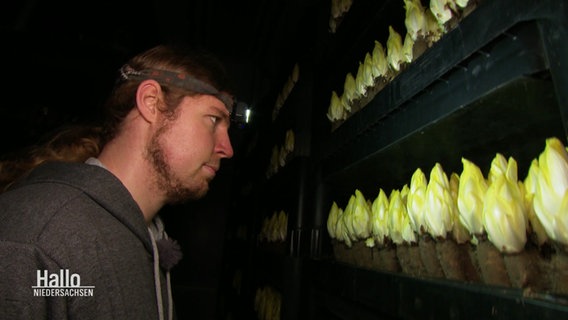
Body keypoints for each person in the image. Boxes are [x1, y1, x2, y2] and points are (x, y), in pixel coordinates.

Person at [0, 44, 235, 320]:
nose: (227, 148)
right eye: (213, 119)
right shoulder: (37, 236)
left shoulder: (150, 237)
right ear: (151, 102)